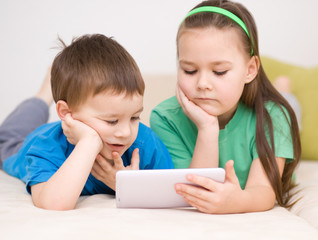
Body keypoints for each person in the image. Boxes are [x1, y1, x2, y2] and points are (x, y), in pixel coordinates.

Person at [150, 0, 301, 214]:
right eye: (189, 70)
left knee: (289, 106)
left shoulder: (273, 115)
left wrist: (237, 202)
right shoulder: (164, 117)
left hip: (272, 107)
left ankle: (284, 89)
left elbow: (264, 192)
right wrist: (207, 129)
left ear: (250, 70)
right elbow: (193, 192)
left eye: (219, 72)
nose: (202, 84)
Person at [0, 34, 173, 210]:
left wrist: (127, 186)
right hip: (21, 144)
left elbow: (173, 192)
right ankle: (43, 96)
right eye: (112, 121)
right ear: (67, 113)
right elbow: (54, 203)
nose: (126, 132)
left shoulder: (144, 143)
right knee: (9, 137)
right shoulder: (46, 146)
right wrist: (89, 141)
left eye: (134, 117)